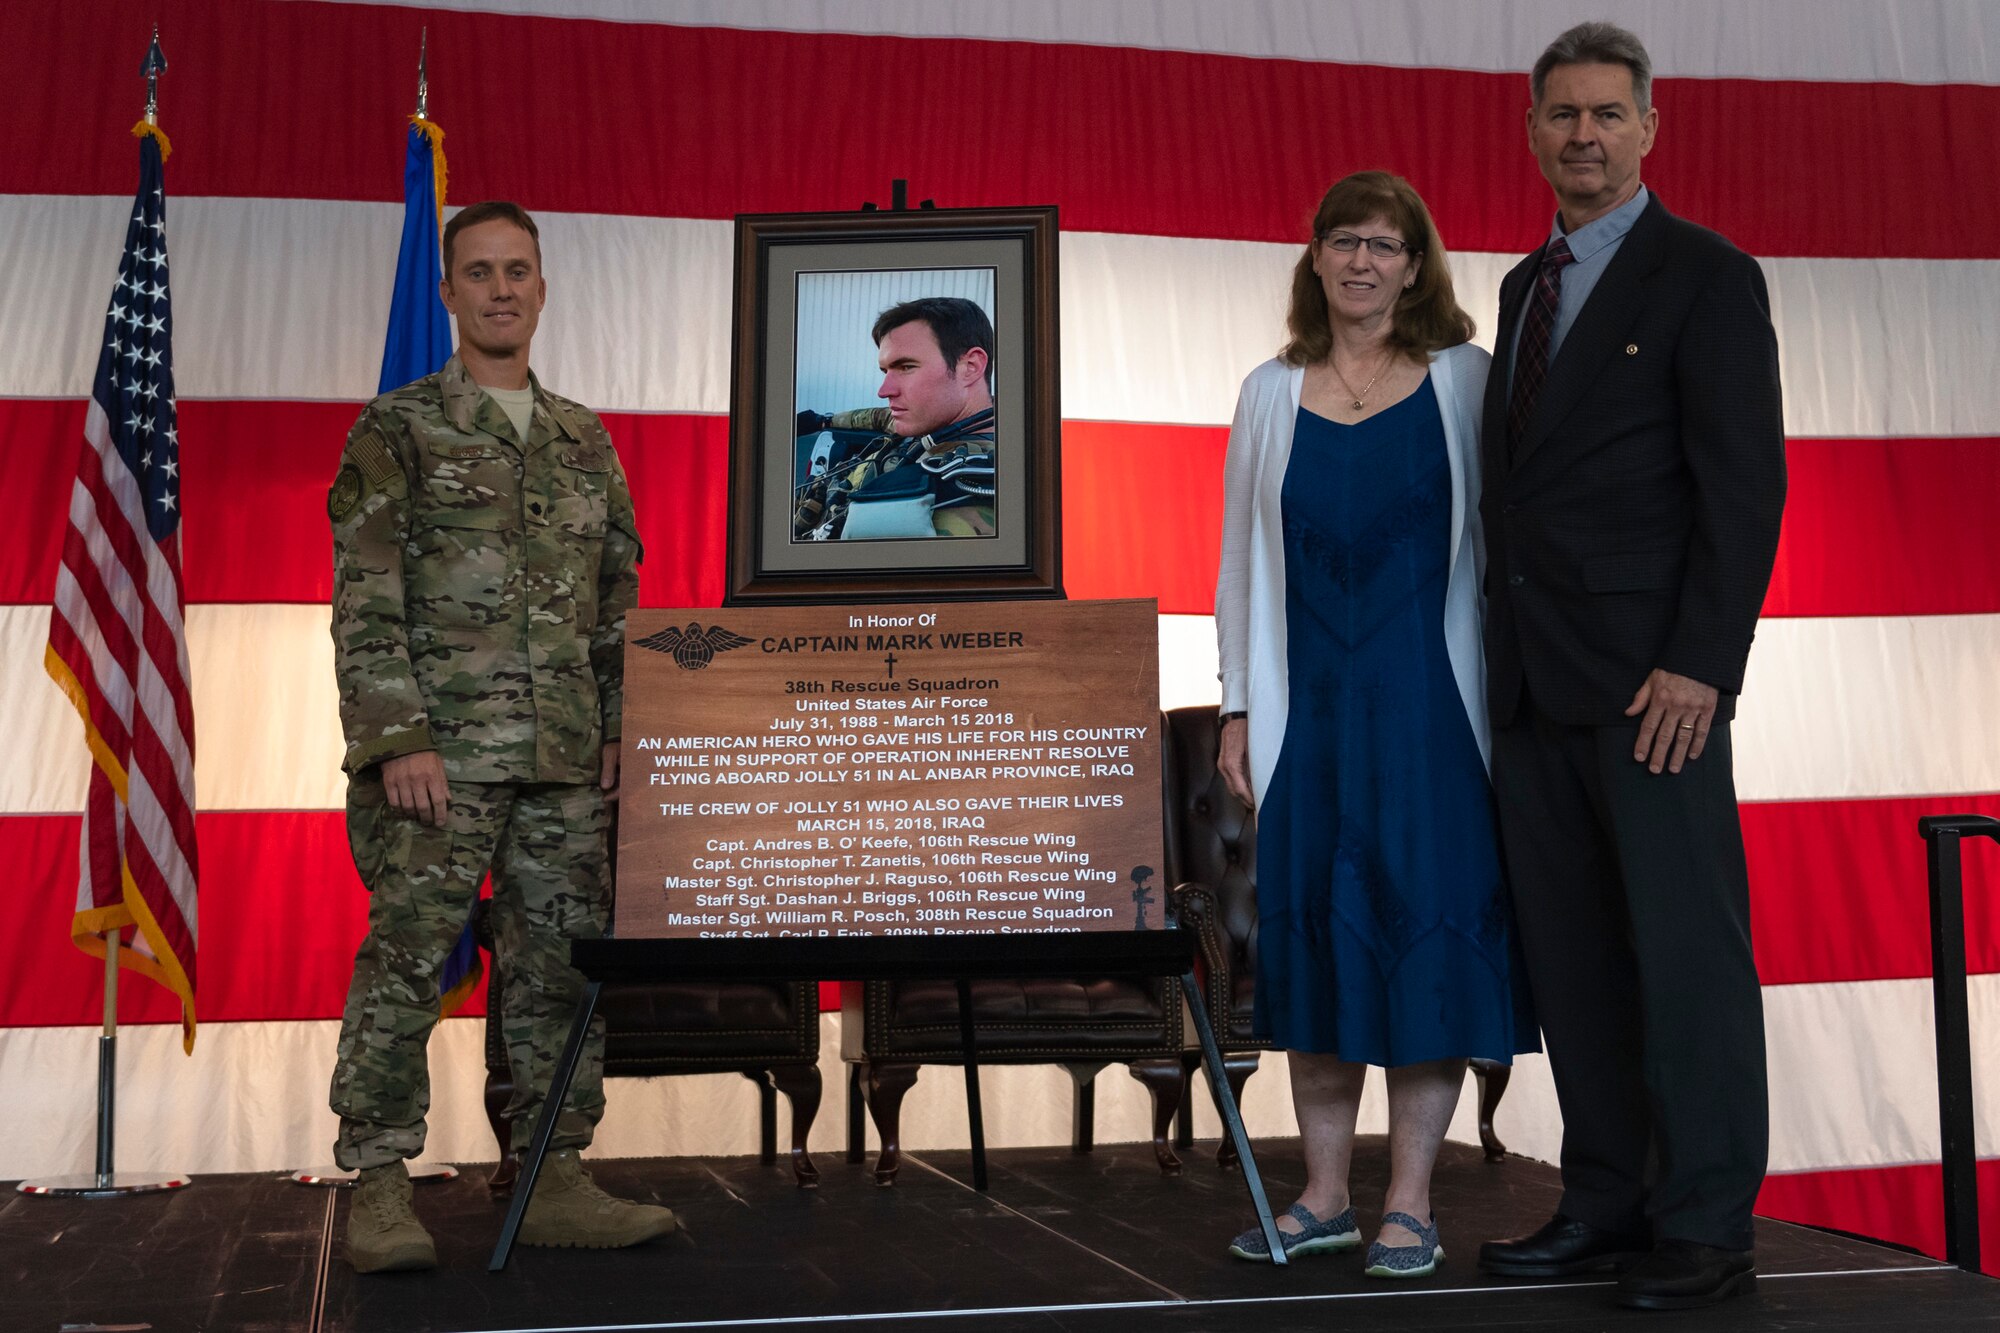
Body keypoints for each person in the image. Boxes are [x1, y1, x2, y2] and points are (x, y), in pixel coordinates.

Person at [1472, 24, 1786, 1311]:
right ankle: (1604, 1198)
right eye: (1560, 116)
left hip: (1656, 692)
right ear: (1532, 130)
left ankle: (1705, 1225)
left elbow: (1742, 486)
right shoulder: (1515, 287)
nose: (1582, 137)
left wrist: (1702, 665)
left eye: (1606, 114)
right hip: (1534, 689)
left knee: (1685, 962)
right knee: (1576, 962)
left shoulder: (1705, 277)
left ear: (1649, 128)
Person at [325, 200, 673, 1273]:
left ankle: (551, 1170)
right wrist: (398, 740)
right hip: (440, 759)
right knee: (406, 963)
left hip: (566, 758)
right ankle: (381, 1181)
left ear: (541, 285)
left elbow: (617, 600)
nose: (501, 288)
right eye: (479, 272)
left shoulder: (582, 440)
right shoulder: (400, 430)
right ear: (450, 294)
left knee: (556, 969)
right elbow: (365, 595)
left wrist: (618, 731)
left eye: (517, 269)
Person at [1214, 171, 1536, 1277]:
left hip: (1434, 719)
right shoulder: (1265, 391)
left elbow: (1504, 563)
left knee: (1428, 950)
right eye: (1343, 240)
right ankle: (1319, 1196)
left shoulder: (1465, 381)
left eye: (1385, 245)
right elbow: (1235, 573)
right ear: (1312, 256)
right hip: (1310, 723)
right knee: (1312, 945)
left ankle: (1407, 1200)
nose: (1361, 260)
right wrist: (1239, 705)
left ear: (1415, 264)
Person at [793, 296, 997, 540]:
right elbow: (877, 417)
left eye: (906, 367)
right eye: (886, 370)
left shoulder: (966, 491)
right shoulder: (926, 420)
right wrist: (823, 420)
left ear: (971, 367)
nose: (883, 391)